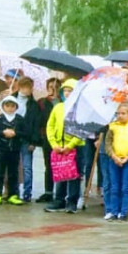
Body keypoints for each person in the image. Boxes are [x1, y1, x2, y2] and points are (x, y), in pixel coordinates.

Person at [44, 80, 84, 214]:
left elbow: (81, 130)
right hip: (58, 147)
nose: (67, 93)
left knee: (74, 175)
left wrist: (71, 145)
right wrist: (54, 144)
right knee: (60, 174)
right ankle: (59, 200)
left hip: (74, 147)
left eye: (70, 91)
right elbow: (50, 126)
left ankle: (72, 201)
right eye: (65, 91)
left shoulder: (80, 109)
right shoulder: (58, 107)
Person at [103, 103, 128, 222]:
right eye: (118, 113)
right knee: (114, 186)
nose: (120, 116)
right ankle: (114, 211)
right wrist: (114, 156)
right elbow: (108, 143)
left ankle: (123, 212)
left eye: (123, 113)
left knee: (126, 187)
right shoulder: (112, 127)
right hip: (114, 160)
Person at [0, 97, 27, 205]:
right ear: (3, 106)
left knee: (13, 173)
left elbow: (26, 133)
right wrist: (3, 132)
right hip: (1, 149)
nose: (10, 108)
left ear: (16, 107)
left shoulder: (20, 119)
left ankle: (12, 194)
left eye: (12, 106)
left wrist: (15, 133)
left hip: (14, 149)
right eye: (7, 106)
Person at [33, 77, 60, 202]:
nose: (53, 89)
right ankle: (48, 191)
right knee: (48, 165)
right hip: (47, 137)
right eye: (50, 87)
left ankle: (61, 192)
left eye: (55, 87)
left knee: (62, 165)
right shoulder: (42, 102)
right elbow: (39, 119)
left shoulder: (63, 102)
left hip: (61, 138)